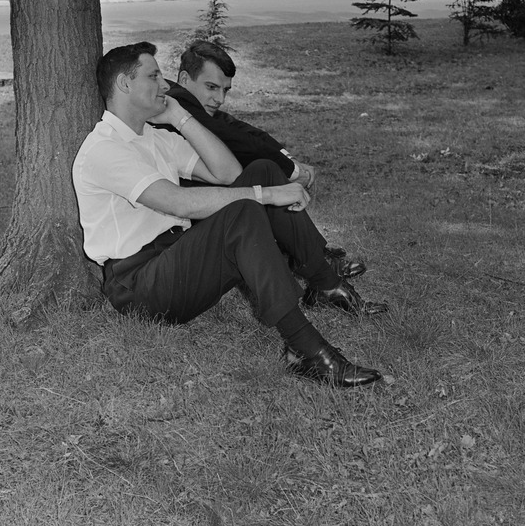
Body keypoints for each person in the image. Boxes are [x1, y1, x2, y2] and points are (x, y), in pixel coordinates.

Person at [72, 41, 386, 388]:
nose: (164, 85)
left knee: (264, 170)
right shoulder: (104, 149)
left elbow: (228, 173)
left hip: (176, 258)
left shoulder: (154, 138)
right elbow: (178, 202)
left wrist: (179, 116)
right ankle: (307, 351)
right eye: (154, 76)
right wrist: (266, 196)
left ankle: (326, 285)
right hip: (139, 285)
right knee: (243, 209)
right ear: (124, 84)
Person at [161, 39, 370, 285]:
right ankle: (317, 266)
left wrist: (291, 161)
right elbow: (238, 141)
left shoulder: (194, 104)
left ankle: (311, 258)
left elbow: (247, 132)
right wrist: (293, 172)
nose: (220, 99)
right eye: (211, 87)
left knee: (265, 170)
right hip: (189, 215)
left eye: (225, 90)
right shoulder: (178, 103)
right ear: (185, 79)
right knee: (265, 172)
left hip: (208, 200)